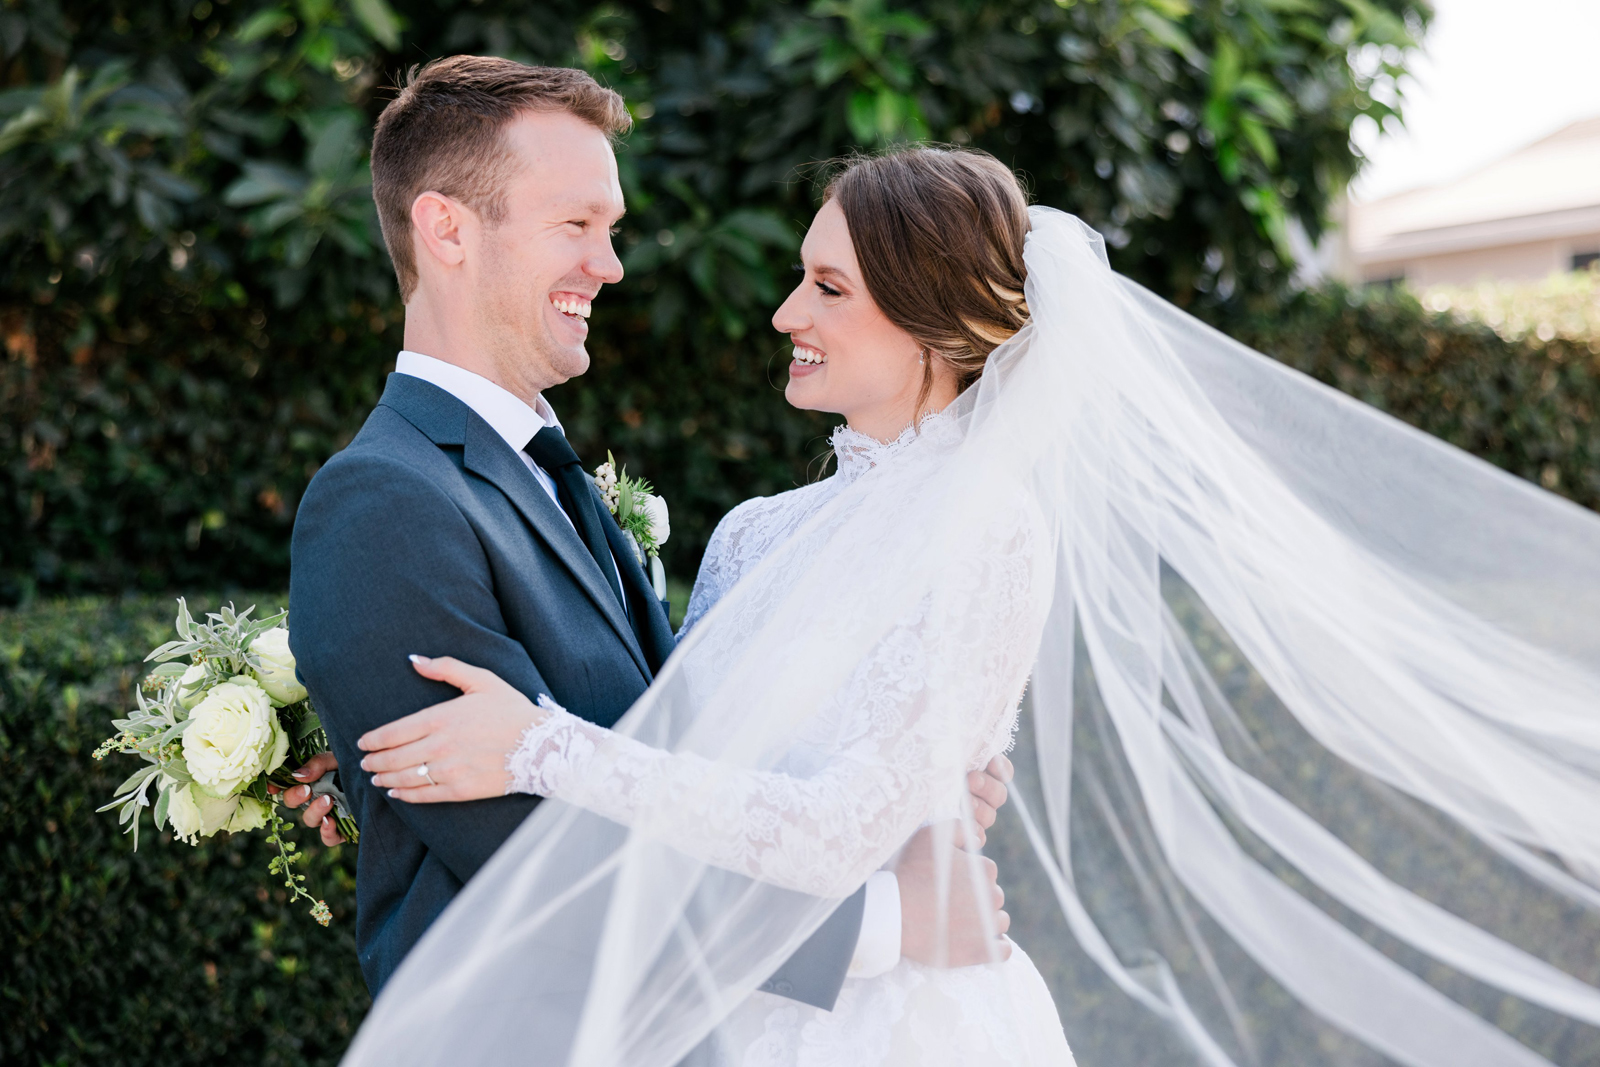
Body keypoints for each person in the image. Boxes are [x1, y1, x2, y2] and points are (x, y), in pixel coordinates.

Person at [340, 143, 1600, 1067]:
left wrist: (539, 746)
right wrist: (346, 751)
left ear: (935, 323)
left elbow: (827, 829)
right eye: (800, 280)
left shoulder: (989, 532)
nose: (785, 313)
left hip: (894, 1023)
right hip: (724, 1011)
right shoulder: (754, 531)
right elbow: (687, 754)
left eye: (828, 287)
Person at [286, 56, 1013, 1009]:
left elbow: (675, 754)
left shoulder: (550, 477)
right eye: (576, 224)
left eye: (612, 229)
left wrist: (903, 793)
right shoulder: (385, 499)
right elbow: (541, 873)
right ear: (447, 229)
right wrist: (879, 922)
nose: (611, 264)